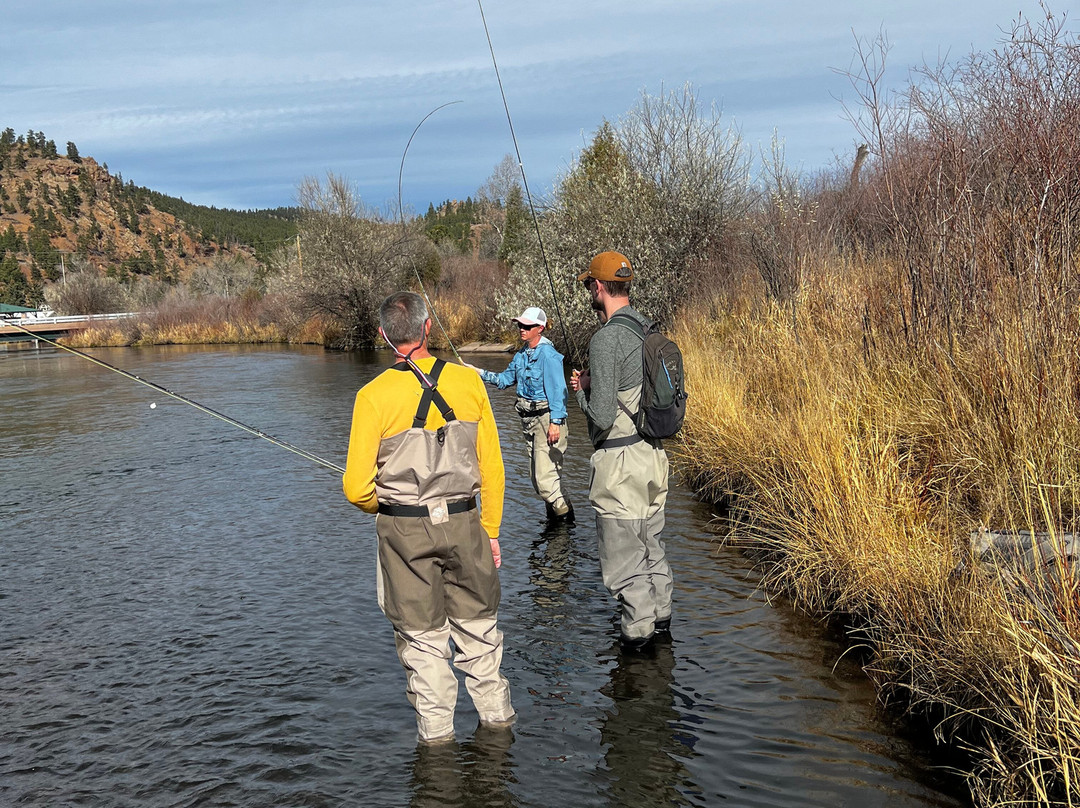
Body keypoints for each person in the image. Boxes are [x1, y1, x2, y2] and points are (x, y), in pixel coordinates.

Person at [343, 291, 515, 743]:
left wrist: (388, 505)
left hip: (405, 535)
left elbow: (356, 489)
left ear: (383, 336)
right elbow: (493, 467)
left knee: (424, 646)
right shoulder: (470, 383)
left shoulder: (371, 397)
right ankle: (499, 740)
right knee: (481, 639)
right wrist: (491, 531)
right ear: (427, 328)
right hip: (468, 525)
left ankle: (438, 756)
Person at [569, 251, 673, 651]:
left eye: (588, 286)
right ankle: (662, 629)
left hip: (622, 469)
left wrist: (581, 393)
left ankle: (637, 648)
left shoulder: (606, 337)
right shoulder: (646, 329)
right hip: (653, 458)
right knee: (652, 550)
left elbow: (601, 416)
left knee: (625, 566)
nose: (588, 293)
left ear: (598, 286)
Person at [469, 307, 573, 521]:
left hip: (547, 421)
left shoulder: (549, 355)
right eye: (520, 325)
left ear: (540, 328)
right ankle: (557, 521)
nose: (521, 329)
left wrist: (556, 422)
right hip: (528, 422)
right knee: (538, 481)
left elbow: (559, 391)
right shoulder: (521, 355)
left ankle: (565, 525)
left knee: (545, 482)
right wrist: (477, 372)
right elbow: (504, 381)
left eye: (527, 326)